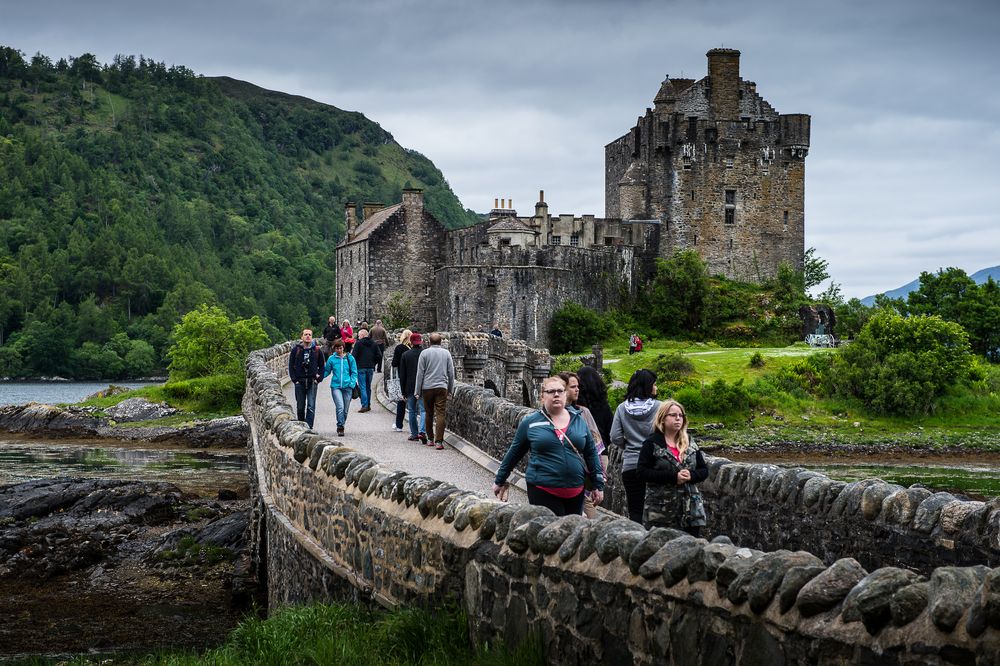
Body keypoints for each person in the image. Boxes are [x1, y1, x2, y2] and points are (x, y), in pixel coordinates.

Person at [493, 376, 604, 516]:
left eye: (560, 391)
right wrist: (500, 480)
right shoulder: (531, 422)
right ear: (542, 397)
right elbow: (514, 453)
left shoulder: (579, 420)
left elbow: (591, 452)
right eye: (551, 391)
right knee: (550, 534)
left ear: (565, 394)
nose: (556, 394)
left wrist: (598, 484)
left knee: (572, 535)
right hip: (543, 489)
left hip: (576, 491)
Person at [635, 400, 708, 536]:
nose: (678, 418)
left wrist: (692, 475)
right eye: (673, 415)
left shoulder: (690, 442)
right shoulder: (652, 443)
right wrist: (674, 477)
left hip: (691, 510)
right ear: (662, 419)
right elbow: (642, 472)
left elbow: (704, 470)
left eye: (681, 415)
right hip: (661, 511)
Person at [611, 369, 661, 524]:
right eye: (654, 384)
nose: (656, 387)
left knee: (635, 509)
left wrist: (628, 445)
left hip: (631, 464)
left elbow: (615, 436)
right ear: (648, 386)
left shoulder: (621, 408)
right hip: (655, 464)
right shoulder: (660, 407)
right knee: (657, 509)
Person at [559, 371, 607, 518]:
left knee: (584, 503)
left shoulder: (583, 412)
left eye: (577, 386)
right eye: (573, 386)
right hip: (559, 473)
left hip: (582, 469)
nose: (577, 389)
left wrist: (597, 476)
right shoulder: (550, 414)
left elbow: (595, 447)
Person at [414, 332, 455, 450]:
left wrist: (417, 391)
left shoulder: (424, 353)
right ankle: (439, 442)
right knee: (440, 413)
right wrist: (450, 390)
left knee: (429, 413)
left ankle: (430, 439)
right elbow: (451, 373)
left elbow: (420, 373)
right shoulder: (446, 353)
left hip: (427, 387)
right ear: (440, 342)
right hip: (441, 387)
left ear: (429, 342)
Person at [287, 329, 325, 429]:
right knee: (300, 406)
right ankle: (301, 426)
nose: (308, 336)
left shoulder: (316, 350)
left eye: (309, 335)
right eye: (305, 334)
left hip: (312, 381)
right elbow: (291, 366)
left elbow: (322, 366)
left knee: (311, 406)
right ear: (302, 337)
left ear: (312, 337)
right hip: (300, 382)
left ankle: (309, 428)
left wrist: (319, 378)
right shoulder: (296, 350)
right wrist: (295, 380)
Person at [322, 339, 358, 437]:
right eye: (337, 348)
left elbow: (354, 372)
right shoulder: (331, 359)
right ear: (334, 349)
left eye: (340, 348)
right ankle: (340, 426)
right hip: (336, 386)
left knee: (345, 410)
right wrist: (319, 377)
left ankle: (342, 422)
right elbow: (327, 371)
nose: (339, 350)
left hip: (348, 387)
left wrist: (351, 384)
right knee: (340, 407)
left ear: (343, 348)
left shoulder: (350, 358)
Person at [398, 332, 427, 443]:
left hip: (409, 387)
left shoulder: (406, 355)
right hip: (423, 386)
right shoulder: (425, 354)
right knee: (424, 410)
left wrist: (403, 391)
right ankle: (423, 431)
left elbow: (402, 375)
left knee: (412, 411)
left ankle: (414, 434)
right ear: (421, 342)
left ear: (411, 342)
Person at [575, 365, 613, 449]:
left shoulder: (575, 407)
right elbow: (611, 432)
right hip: (600, 448)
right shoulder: (604, 406)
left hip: (580, 448)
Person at [351, 328, 381, 413]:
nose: (358, 337)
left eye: (359, 335)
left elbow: (354, 356)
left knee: (362, 387)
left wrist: (354, 366)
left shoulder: (358, 343)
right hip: (370, 368)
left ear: (362, 335)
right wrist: (373, 363)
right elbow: (379, 355)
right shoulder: (374, 344)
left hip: (361, 368)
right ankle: (368, 404)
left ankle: (364, 405)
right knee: (368, 387)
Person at [389, 329, 412, 432]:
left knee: (401, 402)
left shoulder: (399, 348)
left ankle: (399, 425)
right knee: (413, 405)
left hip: (402, 377)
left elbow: (394, 363)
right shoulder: (413, 348)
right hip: (412, 378)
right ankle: (414, 429)